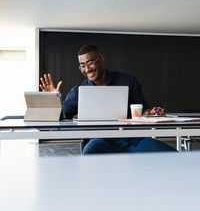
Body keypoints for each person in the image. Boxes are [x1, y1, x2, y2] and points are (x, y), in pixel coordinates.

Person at [40, 44, 176, 154]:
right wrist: (53, 99)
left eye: (90, 62)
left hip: (134, 139)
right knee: (90, 152)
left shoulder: (128, 81)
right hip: (99, 141)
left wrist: (149, 113)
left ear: (101, 59)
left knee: (172, 157)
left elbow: (142, 112)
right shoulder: (78, 91)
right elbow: (62, 115)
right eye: (82, 65)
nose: (86, 69)